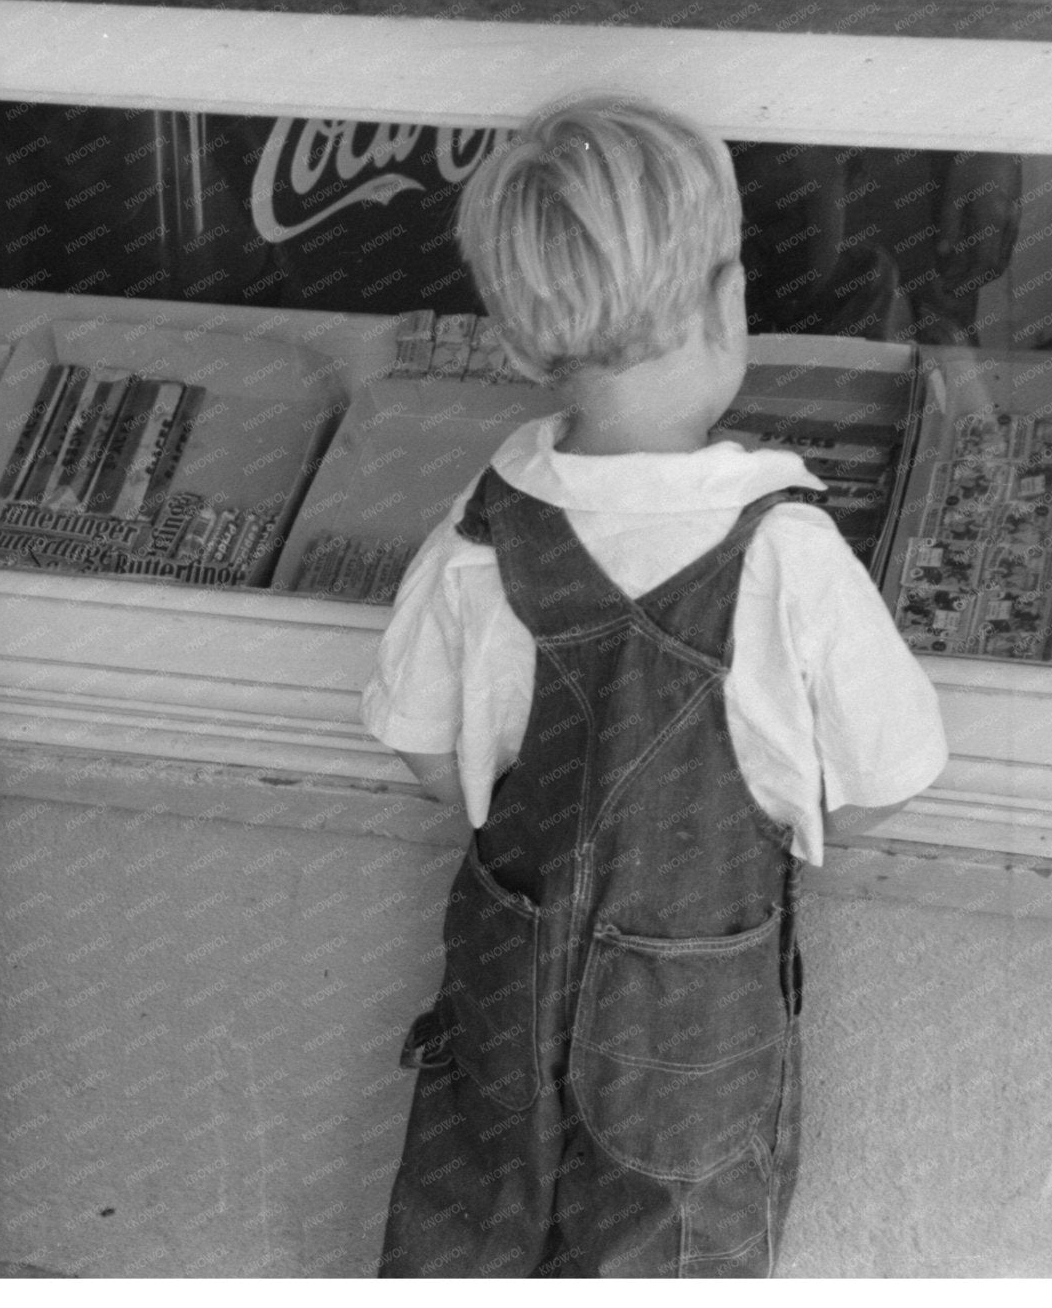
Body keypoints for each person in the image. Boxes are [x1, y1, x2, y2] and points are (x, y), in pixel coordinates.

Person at [365, 94, 948, 1277]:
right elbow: (887, 774)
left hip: (504, 994)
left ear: (521, 342)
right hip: (695, 1009)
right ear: (730, 303)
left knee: (472, 1231)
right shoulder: (782, 552)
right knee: (670, 1256)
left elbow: (431, 760)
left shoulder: (478, 538)